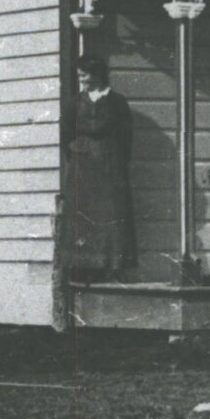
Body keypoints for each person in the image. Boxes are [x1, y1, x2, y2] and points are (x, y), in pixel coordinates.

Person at [67, 55, 138, 279]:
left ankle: (112, 266)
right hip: (83, 170)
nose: (81, 80)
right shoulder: (75, 103)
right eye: (79, 76)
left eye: (85, 75)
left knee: (112, 216)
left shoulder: (117, 102)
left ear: (97, 74)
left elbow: (126, 138)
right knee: (83, 217)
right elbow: (66, 136)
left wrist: (114, 161)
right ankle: (85, 268)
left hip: (110, 169)